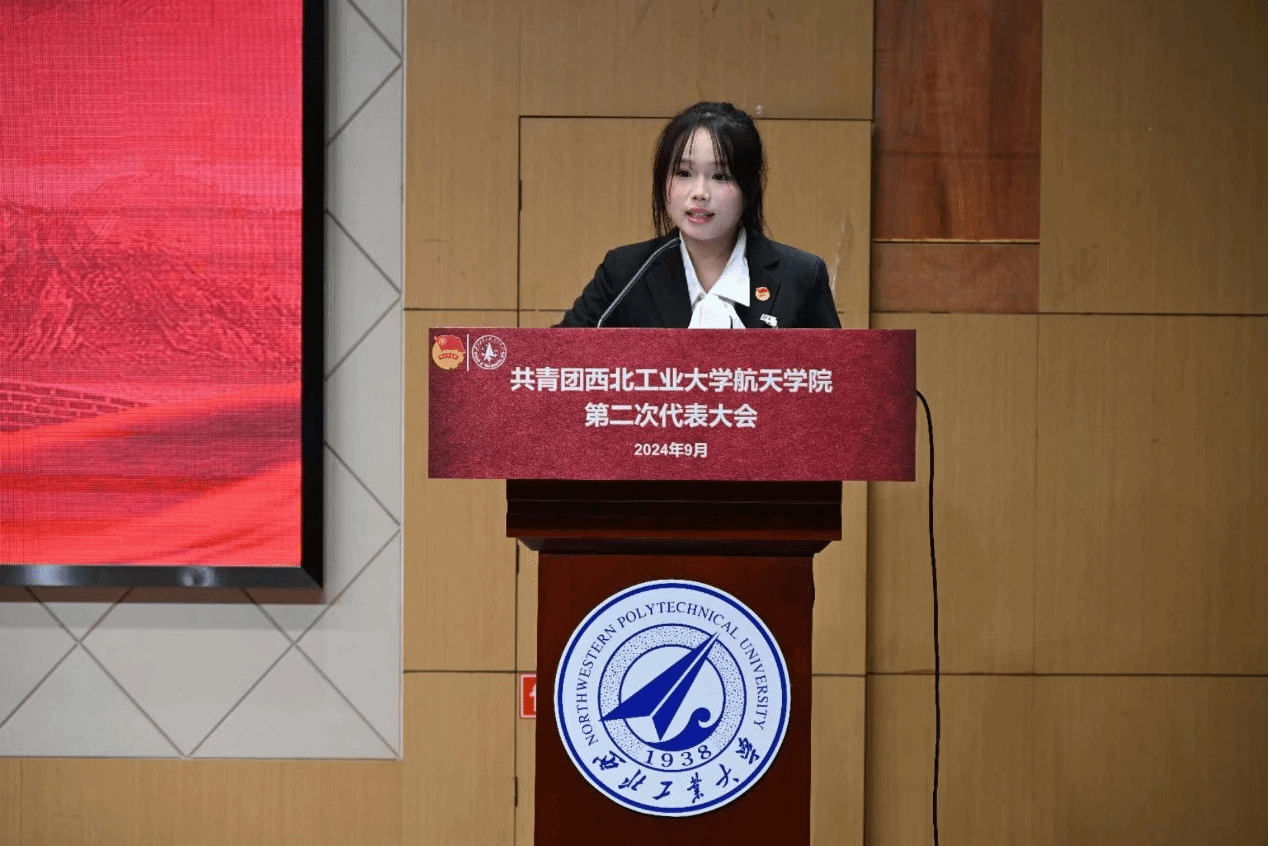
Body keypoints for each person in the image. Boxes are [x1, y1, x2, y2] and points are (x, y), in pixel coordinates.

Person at [556, 101, 841, 329]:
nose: (700, 192)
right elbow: (558, 359)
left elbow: (839, 375)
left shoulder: (800, 275)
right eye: (684, 173)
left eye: (720, 176)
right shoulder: (625, 272)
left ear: (749, 187)